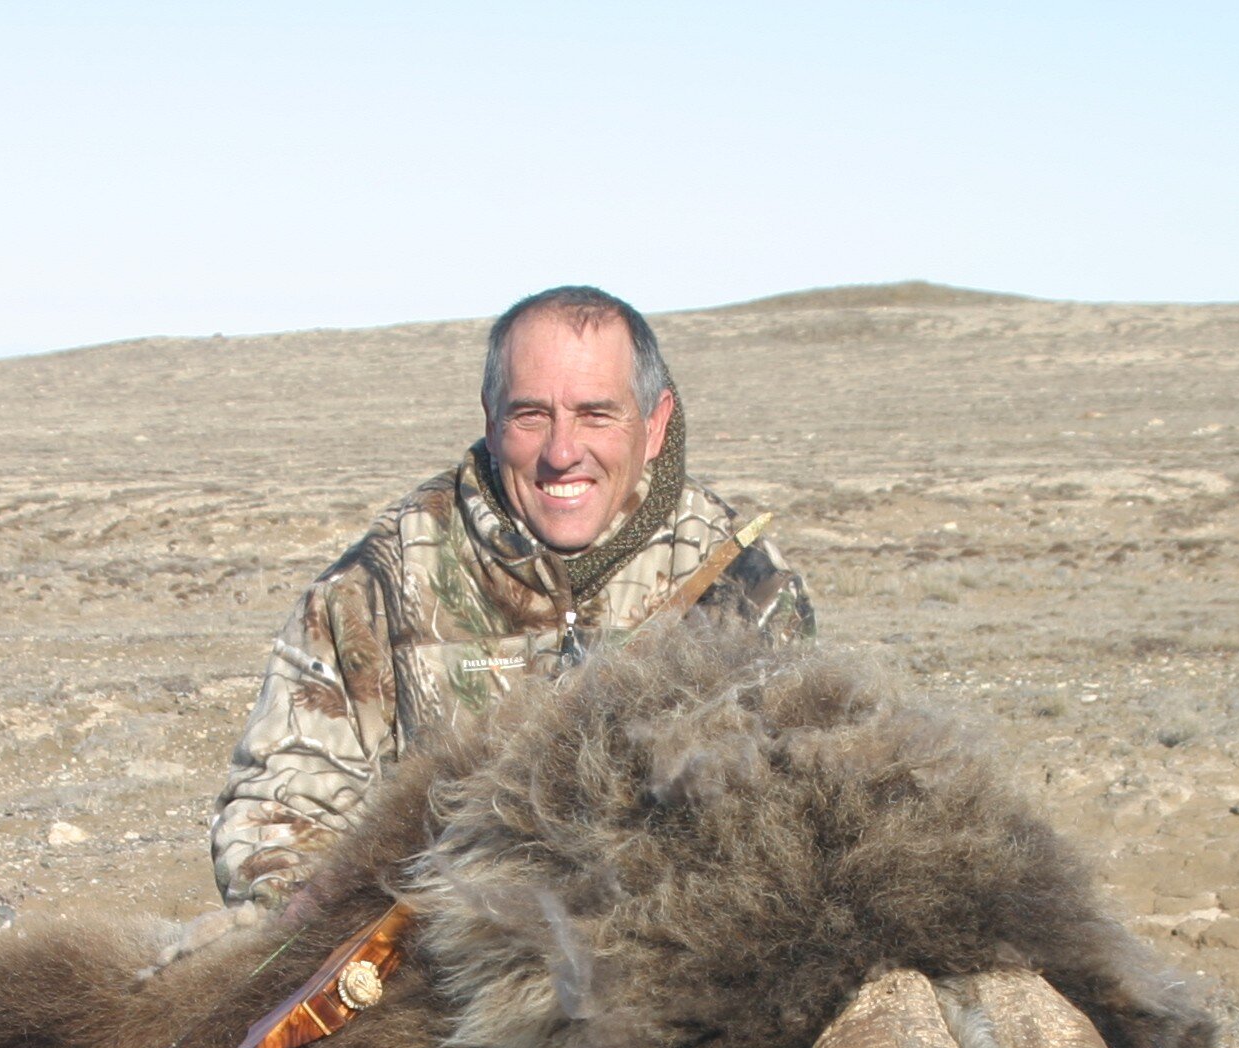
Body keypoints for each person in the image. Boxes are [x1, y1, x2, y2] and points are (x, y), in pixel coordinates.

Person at [208, 285, 812, 908]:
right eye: (530, 416)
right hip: (444, 956)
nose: (561, 452)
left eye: (595, 414)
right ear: (491, 421)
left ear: (654, 425)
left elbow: (795, 808)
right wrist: (304, 912)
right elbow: (281, 803)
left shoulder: (742, 584)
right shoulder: (376, 585)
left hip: (670, 941)